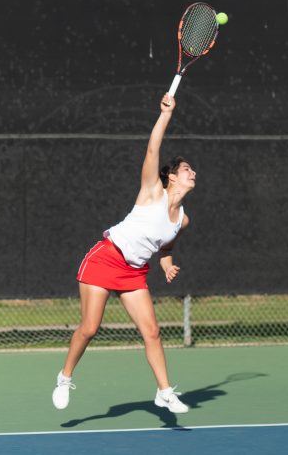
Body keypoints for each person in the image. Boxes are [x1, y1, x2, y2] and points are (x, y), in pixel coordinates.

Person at [52, 93, 196, 413]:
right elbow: (152, 149)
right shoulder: (151, 191)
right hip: (105, 258)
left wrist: (167, 265)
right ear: (171, 176)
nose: (193, 173)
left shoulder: (182, 219)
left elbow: (166, 247)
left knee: (153, 331)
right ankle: (64, 377)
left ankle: (164, 391)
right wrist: (165, 115)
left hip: (134, 272)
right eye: (187, 169)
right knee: (90, 328)